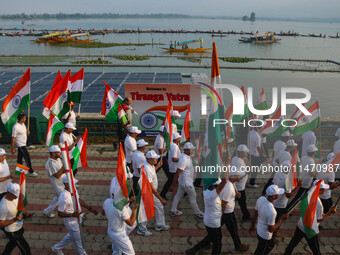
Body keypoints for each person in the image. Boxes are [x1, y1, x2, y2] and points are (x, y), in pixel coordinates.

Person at [185, 155, 230, 255]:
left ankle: (193, 250)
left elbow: (219, 179)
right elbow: (224, 181)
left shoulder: (206, 189)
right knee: (218, 244)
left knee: (210, 237)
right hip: (213, 223)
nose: (219, 186)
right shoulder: (212, 194)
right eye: (217, 185)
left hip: (209, 220)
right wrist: (227, 164)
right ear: (213, 186)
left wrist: (223, 164)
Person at [284, 180, 337, 255]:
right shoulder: (319, 205)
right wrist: (329, 213)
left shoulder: (308, 195)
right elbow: (318, 220)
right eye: (324, 188)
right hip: (310, 228)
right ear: (320, 190)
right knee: (315, 249)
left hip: (301, 224)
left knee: (293, 243)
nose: (325, 190)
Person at [52, 175, 98, 255]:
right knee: (79, 242)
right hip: (71, 222)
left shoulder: (73, 190)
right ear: (66, 184)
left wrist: (90, 208)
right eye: (72, 182)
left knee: (71, 235)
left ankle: (57, 248)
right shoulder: (64, 197)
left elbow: (78, 199)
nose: (74, 184)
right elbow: (59, 213)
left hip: (77, 218)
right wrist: (71, 215)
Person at [249, 185, 289, 255]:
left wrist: (252, 226)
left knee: (269, 245)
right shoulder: (272, 212)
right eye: (278, 193)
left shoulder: (261, 199)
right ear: (274, 196)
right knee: (260, 251)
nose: (279, 194)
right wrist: (281, 219)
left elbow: (255, 214)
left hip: (259, 230)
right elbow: (271, 229)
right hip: (265, 236)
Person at [170, 142, 204, 218]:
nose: (192, 151)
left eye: (192, 149)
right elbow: (177, 173)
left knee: (178, 195)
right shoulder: (184, 159)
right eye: (191, 150)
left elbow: (189, 159)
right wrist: (172, 185)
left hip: (182, 182)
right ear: (186, 150)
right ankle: (198, 213)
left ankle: (173, 209)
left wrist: (194, 156)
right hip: (187, 183)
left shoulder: (185, 155)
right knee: (193, 196)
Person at [220, 173, 249, 251]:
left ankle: (238, 245)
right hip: (227, 213)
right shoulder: (229, 187)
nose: (241, 178)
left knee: (234, 229)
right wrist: (221, 215)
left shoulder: (231, 184)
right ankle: (197, 247)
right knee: (233, 230)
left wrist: (235, 196)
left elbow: (228, 198)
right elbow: (224, 203)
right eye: (240, 176)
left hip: (229, 212)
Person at [142, 150, 170, 232]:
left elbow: (153, 172)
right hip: (149, 193)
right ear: (149, 159)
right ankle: (142, 228)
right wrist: (160, 198)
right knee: (146, 211)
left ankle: (160, 225)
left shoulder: (150, 165)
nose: (156, 159)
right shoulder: (147, 168)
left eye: (156, 158)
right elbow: (150, 186)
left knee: (159, 207)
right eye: (154, 158)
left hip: (150, 192)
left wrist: (157, 166)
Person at [272, 160, 302, 236]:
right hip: (281, 203)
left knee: (273, 217)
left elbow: (272, 183)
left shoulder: (277, 173)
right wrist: (298, 187)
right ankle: (274, 232)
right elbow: (288, 195)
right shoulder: (287, 179)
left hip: (273, 199)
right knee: (278, 218)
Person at [0, 183, 32, 255]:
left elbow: (20, 205)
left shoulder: (15, 196)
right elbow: (1, 224)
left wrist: (25, 213)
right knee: (25, 247)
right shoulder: (3, 207)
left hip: (19, 226)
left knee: (13, 242)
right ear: (9, 193)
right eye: (15, 195)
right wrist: (15, 219)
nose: (17, 197)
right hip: (12, 230)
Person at [287, 144, 318, 211]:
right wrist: (316, 171)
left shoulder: (303, 158)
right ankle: (288, 210)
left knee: (303, 196)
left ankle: (303, 208)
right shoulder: (311, 161)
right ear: (314, 152)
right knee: (298, 197)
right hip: (306, 182)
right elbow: (311, 173)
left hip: (300, 178)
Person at [261, 131, 290, 195]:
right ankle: (266, 191)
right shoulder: (284, 145)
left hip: (275, 162)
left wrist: (273, 160)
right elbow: (280, 156)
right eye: (288, 137)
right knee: (274, 179)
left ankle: (266, 190)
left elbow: (273, 152)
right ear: (285, 138)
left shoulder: (276, 142)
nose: (288, 139)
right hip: (279, 164)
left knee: (273, 178)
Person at [11, 113, 38, 177]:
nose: (26, 119)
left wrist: (27, 132)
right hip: (20, 145)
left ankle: (19, 171)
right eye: (24, 118)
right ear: (21, 119)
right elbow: (13, 138)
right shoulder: (15, 127)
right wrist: (13, 148)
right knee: (27, 157)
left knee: (20, 158)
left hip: (24, 144)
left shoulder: (23, 124)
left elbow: (24, 132)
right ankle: (31, 171)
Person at [43, 145, 66, 218]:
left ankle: (47, 211)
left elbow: (62, 170)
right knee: (65, 199)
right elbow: (57, 175)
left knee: (58, 199)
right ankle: (74, 213)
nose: (60, 154)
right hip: (58, 186)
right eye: (58, 152)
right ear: (53, 153)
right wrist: (64, 166)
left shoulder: (58, 159)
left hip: (63, 183)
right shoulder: (50, 163)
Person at [232, 144, 251, 220]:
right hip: (239, 187)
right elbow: (238, 176)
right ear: (241, 153)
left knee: (240, 202)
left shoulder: (235, 158)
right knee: (242, 202)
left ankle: (246, 215)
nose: (246, 154)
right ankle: (246, 215)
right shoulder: (239, 162)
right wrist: (247, 172)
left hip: (237, 186)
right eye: (245, 152)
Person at [160, 132, 181, 200]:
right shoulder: (174, 147)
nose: (180, 139)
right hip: (174, 168)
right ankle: (162, 195)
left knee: (174, 181)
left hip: (173, 167)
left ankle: (164, 194)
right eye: (179, 138)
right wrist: (182, 159)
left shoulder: (173, 145)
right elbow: (174, 159)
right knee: (170, 182)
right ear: (176, 139)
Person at [154, 126, 170, 199]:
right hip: (160, 158)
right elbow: (161, 151)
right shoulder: (160, 139)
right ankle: (162, 194)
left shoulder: (160, 137)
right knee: (169, 175)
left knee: (155, 171)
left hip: (161, 157)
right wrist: (167, 148)